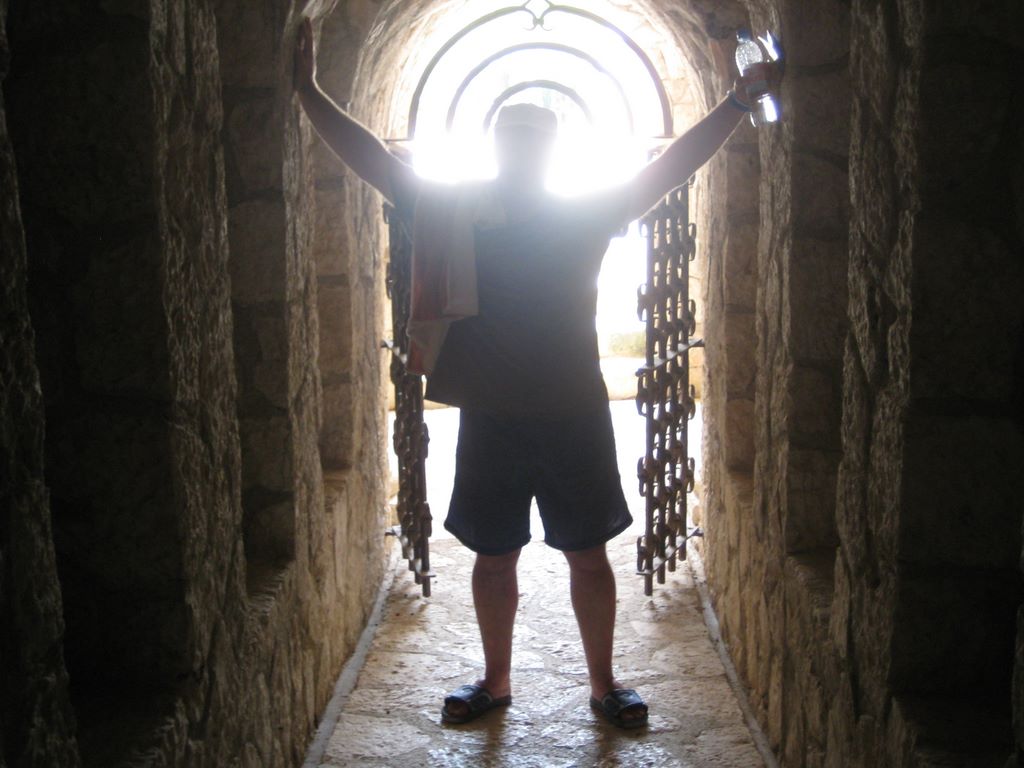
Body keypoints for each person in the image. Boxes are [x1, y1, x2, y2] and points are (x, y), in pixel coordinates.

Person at [294, 17, 777, 729]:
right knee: (496, 557)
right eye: (514, 143)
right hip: (503, 413)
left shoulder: (574, 214)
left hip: (569, 412)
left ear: (546, 153)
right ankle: (498, 680)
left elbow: (672, 166)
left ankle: (602, 683)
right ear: (502, 149)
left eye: (530, 144)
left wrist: (736, 102)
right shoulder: (466, 211)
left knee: (586, 556)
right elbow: (374, 161)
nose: (521, 155)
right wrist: (309, 94)